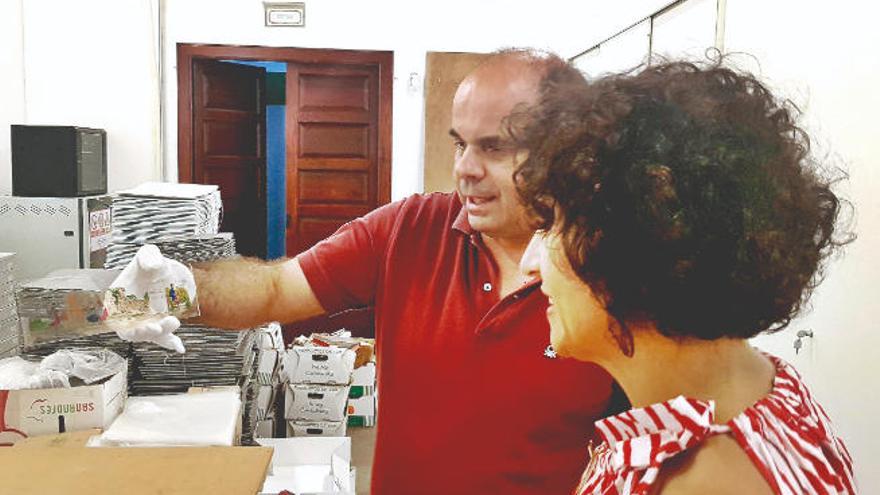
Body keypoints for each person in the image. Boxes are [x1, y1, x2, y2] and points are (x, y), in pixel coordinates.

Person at [120, 50, 622, 494]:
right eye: (459, 144)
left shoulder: (614, 274)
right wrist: (169, 292)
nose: (465, 168)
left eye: (494, 147)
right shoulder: (410, 229)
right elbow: (274, 289)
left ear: (567, 154)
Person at [512, 59, 856, 494]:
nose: (529, 263)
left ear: (631, 244)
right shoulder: (764, 383)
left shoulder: (704, 481)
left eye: (553, 226)